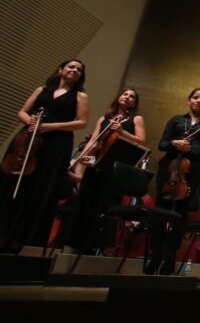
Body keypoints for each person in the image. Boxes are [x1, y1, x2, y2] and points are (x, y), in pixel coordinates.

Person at [0, 60, 89, 254]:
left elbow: (81, 122)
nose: (74, 70)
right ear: (60, 70)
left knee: (41, 186)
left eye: (79, 70)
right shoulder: (41, 89)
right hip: (28, 139)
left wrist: (49, 126)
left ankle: (26, 239)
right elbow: (23, 112)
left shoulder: (80, 96)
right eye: (71, 67)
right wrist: (30, 121)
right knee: (14, 182)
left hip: (56, 144)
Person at [63, 87, 146, 255]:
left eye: (132, 97)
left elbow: (141, 141)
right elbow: (94, 141)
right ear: (119, 97)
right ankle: (77, 244)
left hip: (115, 168)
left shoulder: (136, 119)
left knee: (105, 205)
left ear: (135, 102)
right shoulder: (104, 118)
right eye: (125, 94)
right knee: (86, 203)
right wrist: (80, 161)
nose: (128, 97)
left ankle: (96, 246)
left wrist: (121, 132)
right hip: (96, 164)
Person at [152, 88, 200, 274]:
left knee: (180, 216)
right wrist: (174, 143)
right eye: (195, 98)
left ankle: (169, 259)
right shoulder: (176, 120)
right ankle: (154, 255)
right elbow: (162, 144)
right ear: (189, 100)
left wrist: (193, 148)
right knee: (160, 211)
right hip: (169, 169)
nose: (198, 101)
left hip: (191, 172)